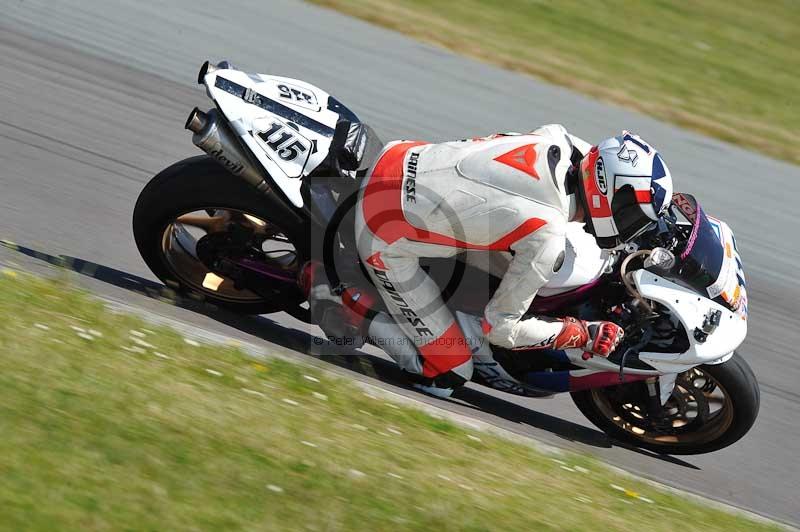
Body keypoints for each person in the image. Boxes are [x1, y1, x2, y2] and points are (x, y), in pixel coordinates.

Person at [314, 125, 673, 397]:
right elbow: (500, 329)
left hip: (401, 155)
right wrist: (578, 333)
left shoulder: (558, 138)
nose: (631, 225)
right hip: (382, 234)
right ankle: (342, 299)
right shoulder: (545, 235)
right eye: (632, 215)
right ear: (608, 191)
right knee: (450, 372)